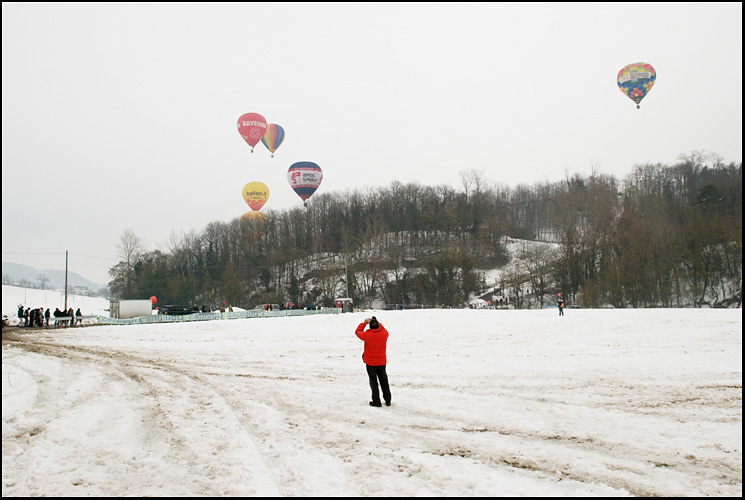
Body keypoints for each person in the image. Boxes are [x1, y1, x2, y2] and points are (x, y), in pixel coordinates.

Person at [355, 316, 391, 407]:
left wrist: (364, 323)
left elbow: (357, 332)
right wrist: (377, 322)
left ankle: (376, 401)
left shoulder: (367, 335)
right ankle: (388, 399)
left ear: (370, 327)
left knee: (373, 381)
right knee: (384, 380)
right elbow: (382, 329)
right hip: (381, 361)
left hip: (370, 362)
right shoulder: (384, 334)